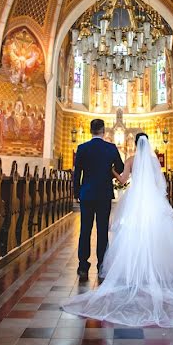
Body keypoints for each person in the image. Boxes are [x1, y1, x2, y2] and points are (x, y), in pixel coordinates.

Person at [63, 133, 173, 327]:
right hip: (152, 199)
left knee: (127, 233)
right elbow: (161, 183)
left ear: (134, 144)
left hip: (134, 199)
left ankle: (115, 267)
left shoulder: (131, 160)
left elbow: (123, 179)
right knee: (155, 232)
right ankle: (157, 267)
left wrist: (112, 173)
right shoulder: (153, 161)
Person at [72, 118, 125, 278]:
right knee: (102, 231)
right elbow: (121, 168)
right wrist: (108, 171)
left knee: (85, 230)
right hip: (104, 194)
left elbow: (77, 174)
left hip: (86, 194)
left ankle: (83, 267)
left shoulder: (82, 148)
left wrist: (76, 193)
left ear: (90, 131)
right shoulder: (110, 148)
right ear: (103, 131)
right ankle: (102, 265)